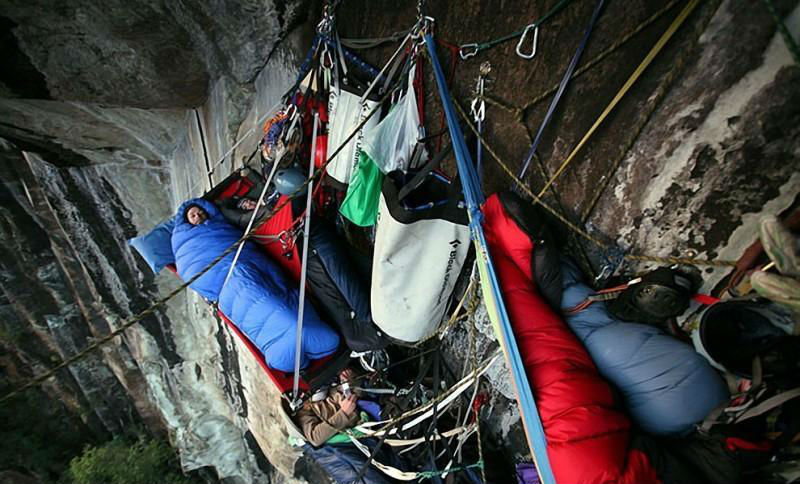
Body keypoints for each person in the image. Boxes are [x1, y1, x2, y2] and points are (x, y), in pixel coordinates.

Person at [171, 197, 340, 372]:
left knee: (280, 311)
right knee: (271, 305)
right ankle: (292, 342)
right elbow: (189, 272)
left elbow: (237, 240)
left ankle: (288, 344)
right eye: (193, 215)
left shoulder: (220, 226)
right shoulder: (184, 247)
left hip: (242, 269)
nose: (198, 215)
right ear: (185, 222)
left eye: (200, 212)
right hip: (227, 285)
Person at [295, 368, 361, 447]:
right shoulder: (302, 415)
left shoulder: (313, 396)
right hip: (353, 410)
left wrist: (347, 380)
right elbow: (315, 438)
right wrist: (344, 413)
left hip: (348, 391)